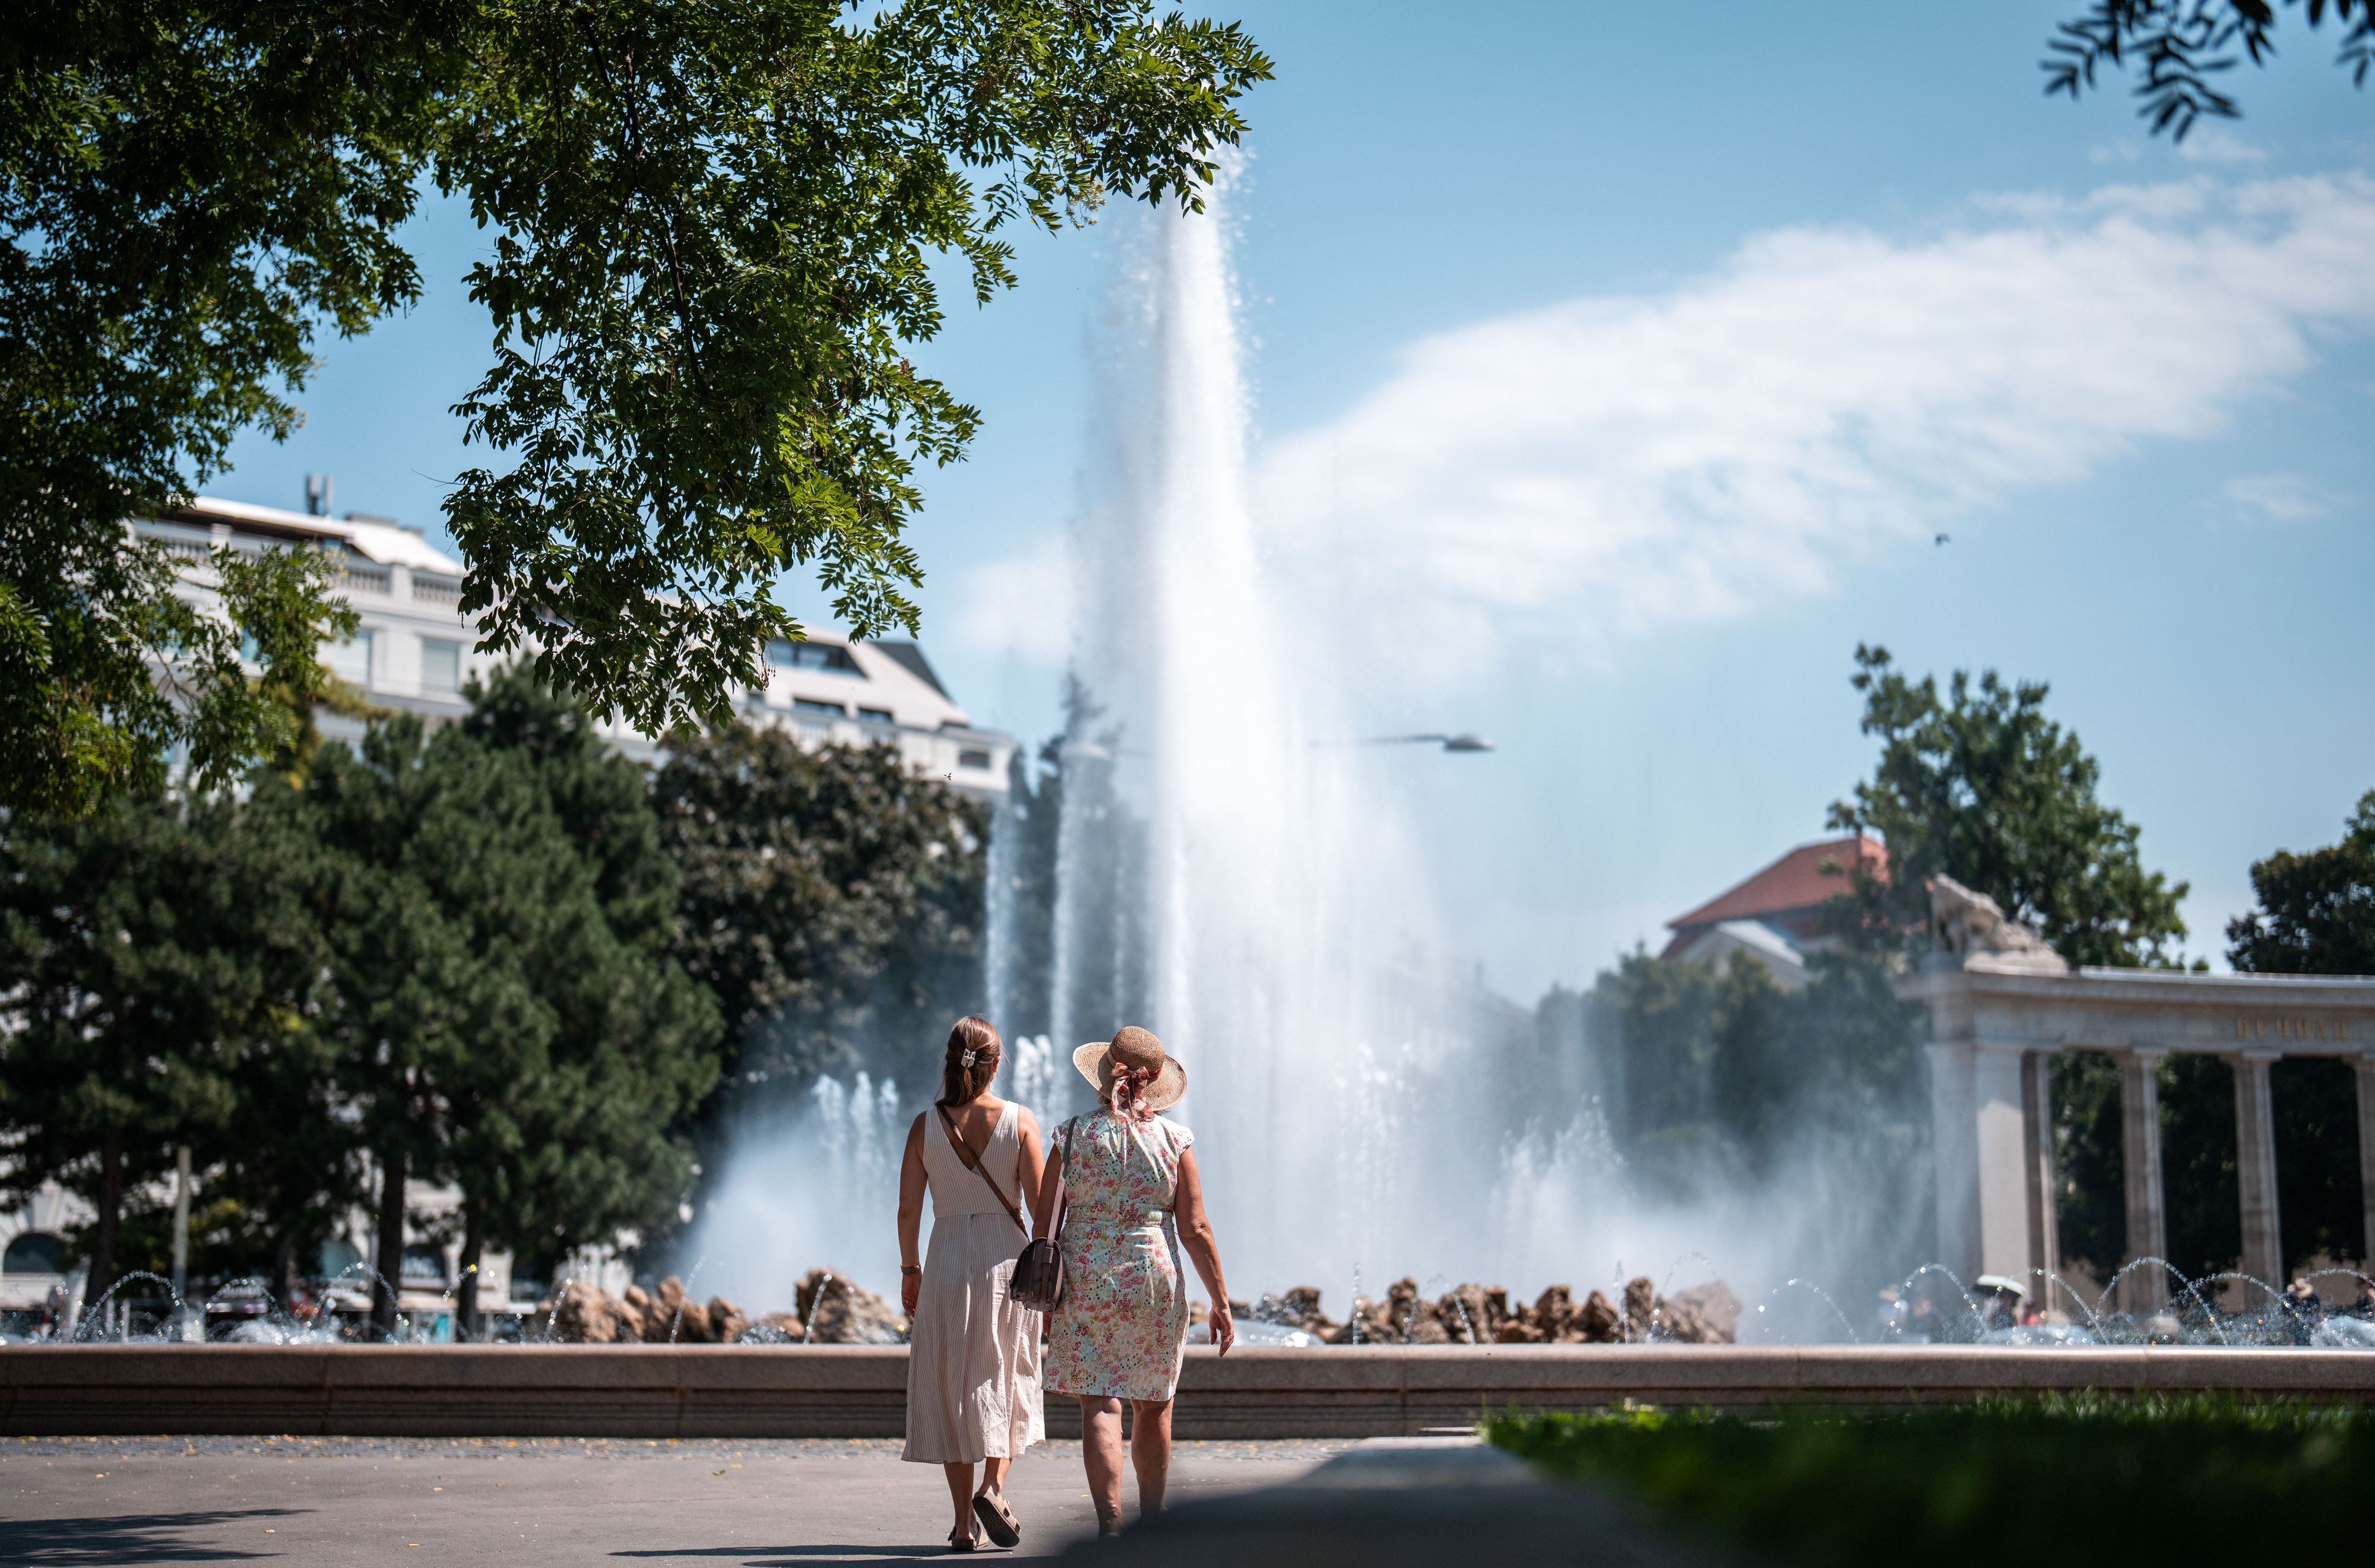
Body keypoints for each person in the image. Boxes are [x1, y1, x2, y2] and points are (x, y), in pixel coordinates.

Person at [1031, 1026, 1234, 1538]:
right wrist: (1221, 1301)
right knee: (1154, 1404)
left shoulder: (1071, 1135)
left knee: (1099, 1402)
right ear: (1154, 1084)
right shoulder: (1175, 1140)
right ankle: (1153, 1524)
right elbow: (1195, 1228)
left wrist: (1047, 1295)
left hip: (1086, 1277)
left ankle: (1110, 1523)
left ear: (1104, 1076)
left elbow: (1044, 1225)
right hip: (1153, 1278)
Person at [897, 1017, 1048, 1553]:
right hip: (1004, 1262)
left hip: (945, 1262)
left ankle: (964, 1524)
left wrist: (909, 1271)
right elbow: (1038, 1207)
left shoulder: (925, 1126)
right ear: (997, 1064)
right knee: (1003, 1372)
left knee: (953, 1384)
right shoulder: (1020, 1120)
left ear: (950, 1060)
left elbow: (908, 1209)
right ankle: (994, 1487)